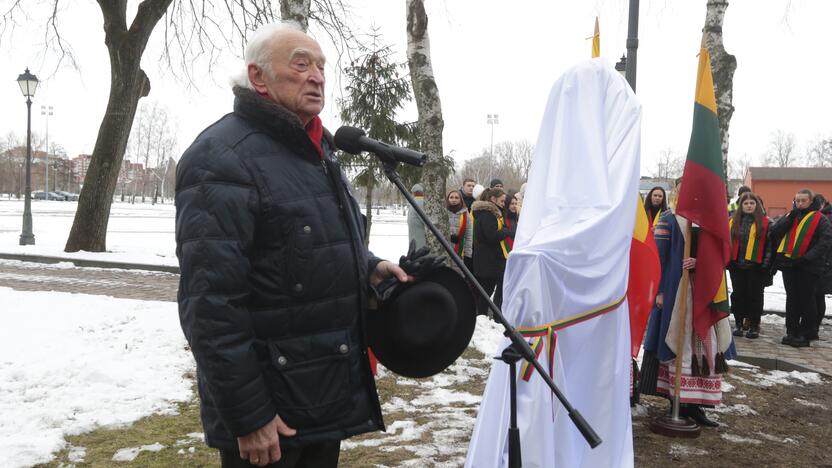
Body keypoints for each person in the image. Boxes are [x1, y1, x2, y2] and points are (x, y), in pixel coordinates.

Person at [175, 22, 411, 468]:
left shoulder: (316, 152)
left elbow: (304, 246)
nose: (317, 76)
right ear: (258, 77)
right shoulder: (222, 157)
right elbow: (210, 305)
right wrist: (248, 415)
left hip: (321, 394)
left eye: (321, 66)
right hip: (271, 413)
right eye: (300, 65)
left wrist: (369, 267)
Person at [640, 181, 735, 428]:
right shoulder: (669, 219)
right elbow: (657, 257)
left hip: (706, 295)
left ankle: (697, 406)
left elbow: (720, 255)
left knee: (704, 348)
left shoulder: (709, 222)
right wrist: (659, 291)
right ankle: (677, 403)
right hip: (676, 293)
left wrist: (702, 263)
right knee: (678, 346)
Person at [770, 188, 832, 347]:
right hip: (789, 264)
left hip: (808, 266)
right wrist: (788, 220)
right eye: (797, 200)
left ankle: (806, 333)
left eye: (803, 200)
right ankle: (791, 331)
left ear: (811, 201)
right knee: (792, 299)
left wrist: (806, 258)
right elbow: (775, 232)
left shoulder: (821, 219)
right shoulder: (791, 215)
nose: (800, 203)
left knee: (807, 299)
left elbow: (825, 242)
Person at [728, 192, 772, 339]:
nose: (748, 206)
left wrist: (765, 265)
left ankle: (754, 325)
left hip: (756, 267)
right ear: (741, 206)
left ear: (756, 206)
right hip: (736, 266)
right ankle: (739, 323)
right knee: (738, 296)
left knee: (755, 297)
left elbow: (770, 246)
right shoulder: (732, 221)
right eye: (745, 203)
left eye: (751, 203)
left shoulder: (767, 223)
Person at [472, 188, 511, 315]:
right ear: (493, 199)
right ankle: (481, 316)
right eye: (502, 201)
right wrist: (506, 232)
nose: (504, 204)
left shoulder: (491, 213)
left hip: (489, 259)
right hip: (487, 260)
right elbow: (491, 236)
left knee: (487, 290)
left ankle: (483, 314)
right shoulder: (487, 214)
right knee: (486, 291)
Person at [815, 194, 832, 336]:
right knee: (814, 295)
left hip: (825, 262)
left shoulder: (826, 217)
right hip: (818, 261)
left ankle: (815, 324)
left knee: (818, 294)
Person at [446, 190, 473, 272]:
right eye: (451, 197)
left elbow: (469, 234)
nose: (454, 200)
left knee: (458, 274)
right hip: (445, 248)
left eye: (456, 198)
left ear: (461, 200)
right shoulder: (443, 212)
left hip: (460, 249)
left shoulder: (465, 214)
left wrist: (468, 253)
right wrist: (449, 236)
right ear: (448, 199)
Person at [407, 183, 428, 250]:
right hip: (421, 242)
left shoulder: (413, 202)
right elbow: (427, 222)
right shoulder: (420, 202)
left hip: (414, 241)